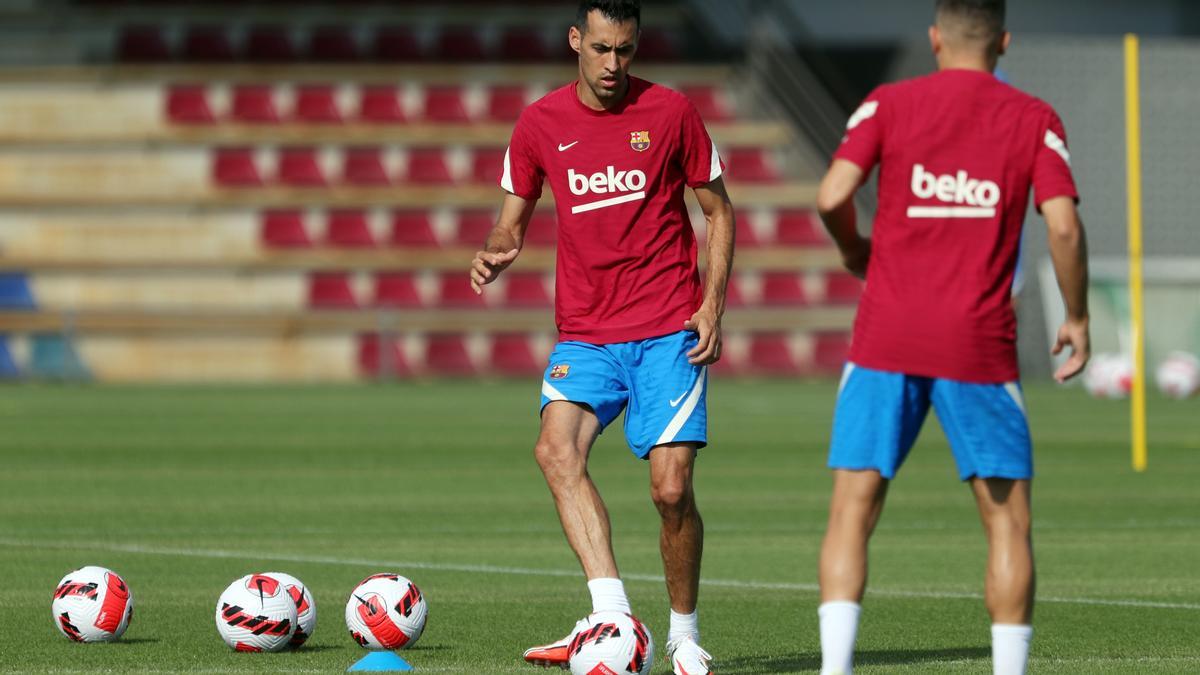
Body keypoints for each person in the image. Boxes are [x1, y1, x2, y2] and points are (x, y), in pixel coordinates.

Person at [812, 1, 1090, 674]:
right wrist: (1076, 317)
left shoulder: (887, 104)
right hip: (977, 342)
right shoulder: (1032, 118)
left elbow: (830, 194)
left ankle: (835, 667)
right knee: (1007, 521)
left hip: (886, 335)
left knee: (853, 510)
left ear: (935, 39)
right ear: (1005, 41)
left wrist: (855, 248)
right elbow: (1063, 227)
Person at [468, 1, 733, 673]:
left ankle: (683, 634)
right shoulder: (539, 124)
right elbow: (511, 220)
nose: (614, 64)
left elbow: (719, 210)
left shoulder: (673, 113)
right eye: (602, 49)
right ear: (575, 40)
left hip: (669, 326)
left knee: (671, 491)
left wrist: (713, 302)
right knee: (555, 450)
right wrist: (498, 248)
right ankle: (612, 614)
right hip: (586, 332)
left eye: (626, 50)